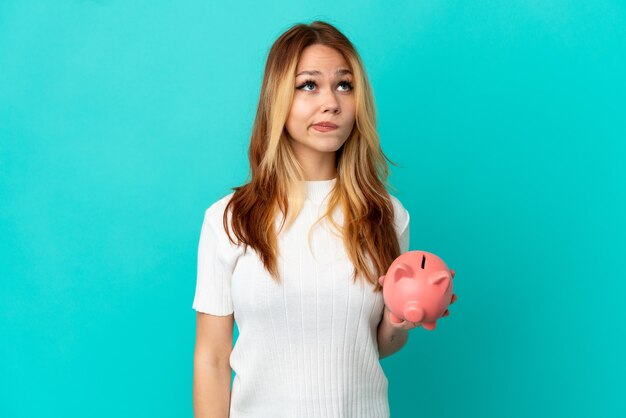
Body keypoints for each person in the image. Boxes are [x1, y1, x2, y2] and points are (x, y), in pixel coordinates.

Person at [192, 20, 457, 418]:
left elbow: (375, 345)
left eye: (344, 85)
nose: (330, 102)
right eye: (309, 85)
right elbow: (212, 358)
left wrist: (400, 319)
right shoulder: (229, 219)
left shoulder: (386, 216)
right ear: (278, 98)